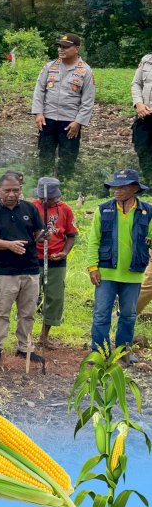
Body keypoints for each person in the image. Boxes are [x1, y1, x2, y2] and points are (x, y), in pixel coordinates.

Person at [87, 170, 152, 365]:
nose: (117, 190)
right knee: (101, 313)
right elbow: (93, 241)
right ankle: (99, 352)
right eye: (114, 186)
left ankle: (123, 352)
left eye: (122, 187)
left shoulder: (147, 211)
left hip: (133, 274)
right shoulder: (103, 210)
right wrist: (92, 267)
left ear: (134, 189)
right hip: (106, 272)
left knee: (129, 315)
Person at [0, 172, 46, 364]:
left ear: (21, 190)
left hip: (30, 268)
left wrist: (46, 235)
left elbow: (38, 233)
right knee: (1, 310)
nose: (11, 194)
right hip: (4, 270)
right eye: (7, 190)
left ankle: (24, 347)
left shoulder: (30, 209)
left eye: (15, 190)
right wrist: (9, 245)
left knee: (27, 312)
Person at [31, 33, 95, 180]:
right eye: (60, 46)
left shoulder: (85, 71)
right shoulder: (50, 67)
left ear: (76, 49)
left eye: (66, 47)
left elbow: (88, 100)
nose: (61, 49)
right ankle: (44, 189)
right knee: (45, 157)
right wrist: (38, 113)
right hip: (48, 119)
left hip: (70, 123)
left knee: (67, 159)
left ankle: (64, 190)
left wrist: (78, 122)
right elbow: (39, 90)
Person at [31, 177, 77, 349]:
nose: (47, 201)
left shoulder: (65, 209)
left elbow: (71, 235)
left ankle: (44, 336)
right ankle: (25, 337)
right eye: (44, 198)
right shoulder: (31, 207)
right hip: (34, 260)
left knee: (55, 298)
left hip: (56, 261)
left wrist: (64, 252)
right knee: (30, 297)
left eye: (50, 198)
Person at [131, 51, 152, 184]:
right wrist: (138, 103)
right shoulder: (147, 60)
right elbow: (136, 84)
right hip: (145, 115)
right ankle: (149, 183)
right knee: (143, 149)